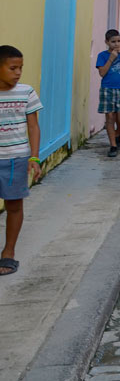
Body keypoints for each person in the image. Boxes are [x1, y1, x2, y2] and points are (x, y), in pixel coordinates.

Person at [0, 45, 43, 276]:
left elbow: (33, 126)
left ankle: (9, 252)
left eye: (21, 68)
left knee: (14, 206)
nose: (18, 73)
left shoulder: (26, 92)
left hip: (16, 158)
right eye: (12, 68)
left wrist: (34, 157)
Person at [96, 29, 120, 157]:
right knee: (110, 117)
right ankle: (113, 145)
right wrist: (111, 59)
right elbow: (102, 73)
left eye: (118, 41)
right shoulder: (102, 55)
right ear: (107, 42)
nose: (116, 44)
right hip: (107, 88)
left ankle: (118, 133)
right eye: (113, 42)